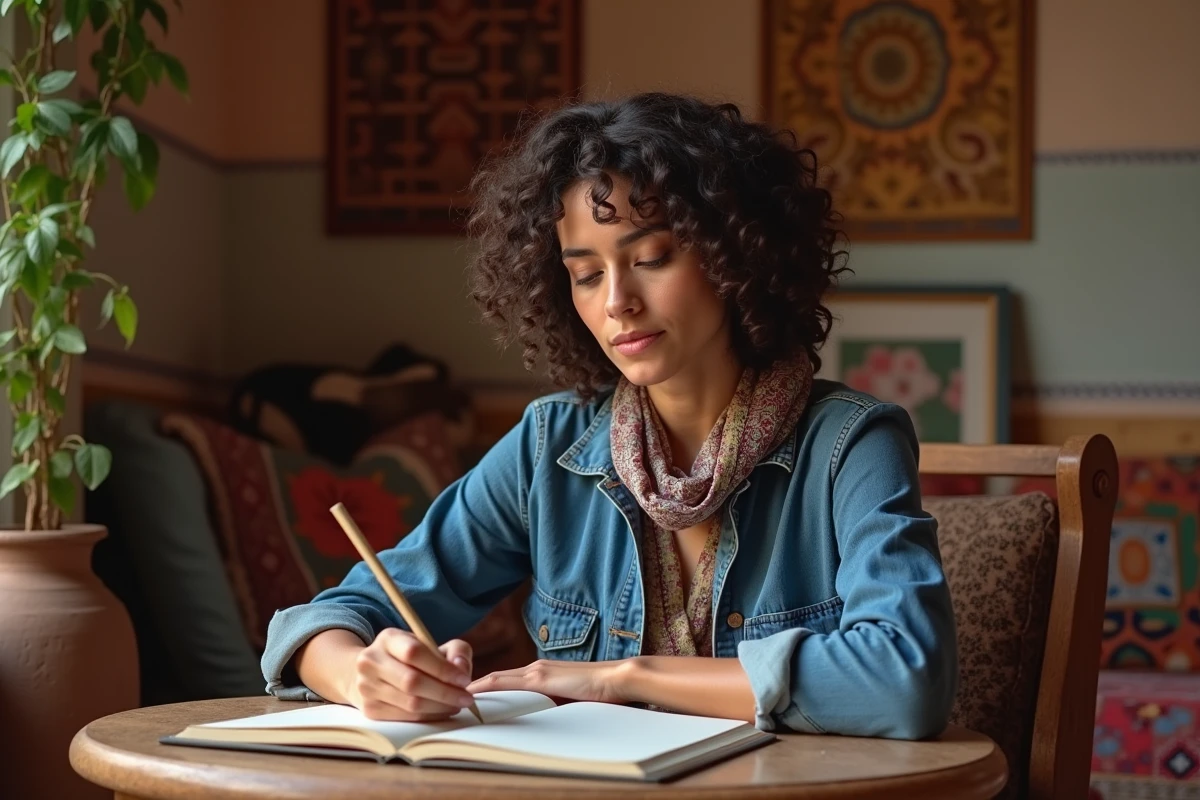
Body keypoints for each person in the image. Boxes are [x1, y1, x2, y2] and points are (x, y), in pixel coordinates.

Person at [261, 92, 958, 739]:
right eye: (587, 274)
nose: (617, 300)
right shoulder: (548, 446)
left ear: (733, 254)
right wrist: (362, 674)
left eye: (650, 256)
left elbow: (906, 680)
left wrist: (620, 679)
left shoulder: (851, 444)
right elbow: (322, 622)